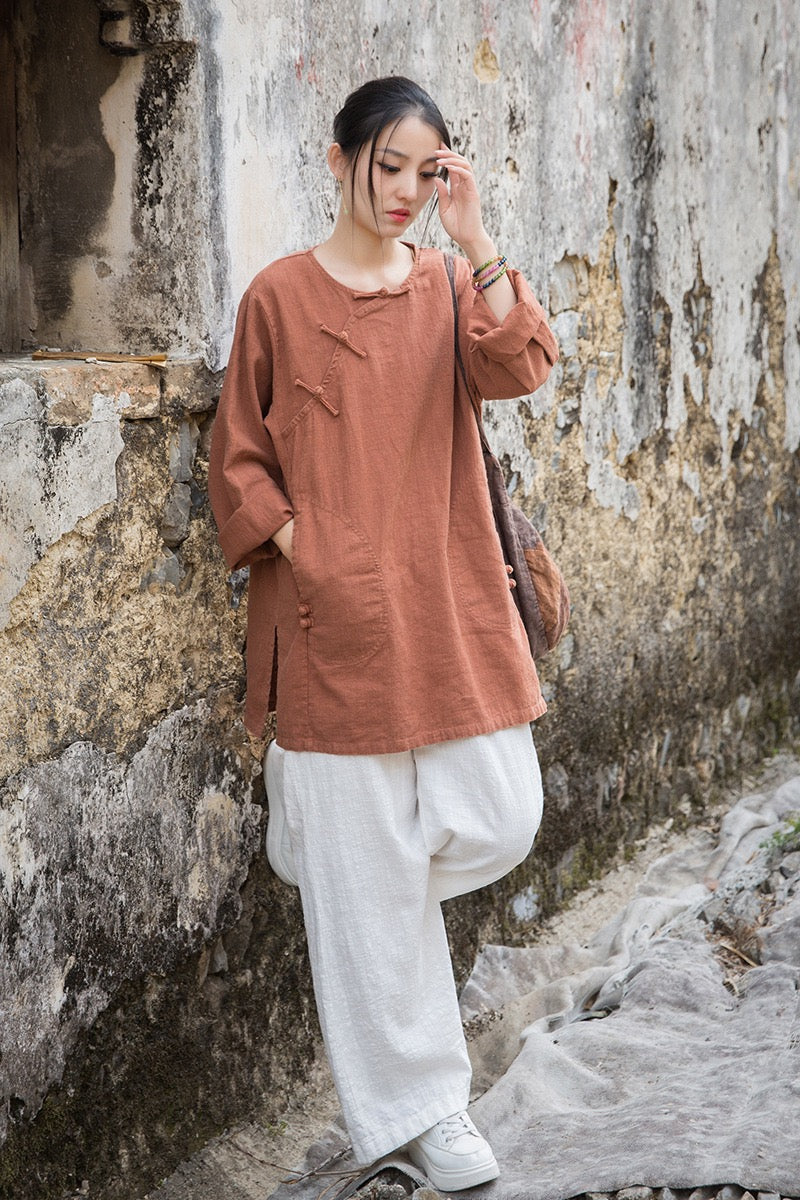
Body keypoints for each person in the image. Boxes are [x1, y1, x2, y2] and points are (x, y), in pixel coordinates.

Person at [209, 76, 558, 1192]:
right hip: (330, 622)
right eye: (387, 166)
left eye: (425, 170)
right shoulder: (277, 297)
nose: (405, 191)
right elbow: (237, 458)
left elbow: (521, 365)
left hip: (450, 606)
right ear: (338, 160)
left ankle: (330, 855)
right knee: (362, 865)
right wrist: (304, 544)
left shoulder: (449, 284)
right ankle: (426, 1113)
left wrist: (478, 239)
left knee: (501, 814)